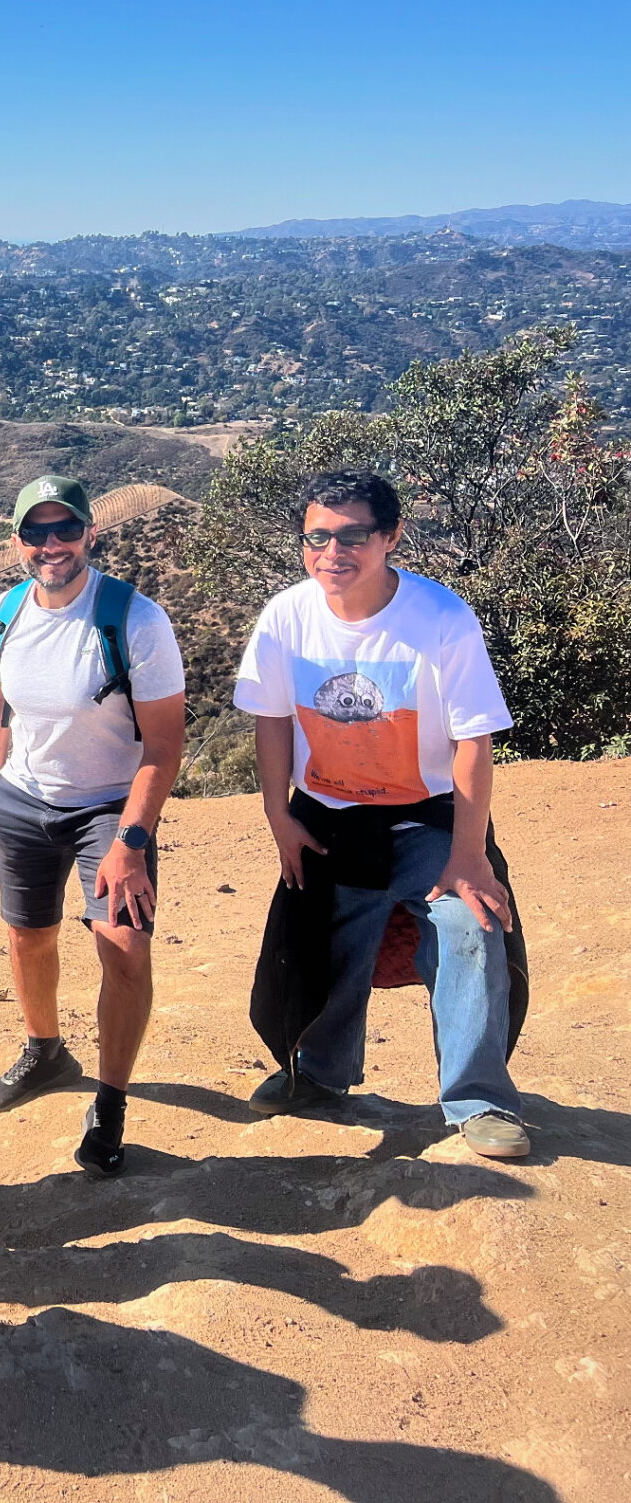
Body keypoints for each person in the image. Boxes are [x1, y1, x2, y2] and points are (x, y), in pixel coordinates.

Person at [235, 470, 531, 1159]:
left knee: (470, 924)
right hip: (329, 813)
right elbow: (272, 723)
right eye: (316, 536)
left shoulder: (439, 618)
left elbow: (473, 740)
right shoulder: (287, 615)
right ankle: (319, 1078)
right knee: (320, 935)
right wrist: (279, 820)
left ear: (391, 537)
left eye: (352, 536)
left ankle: (479, 1099)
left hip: (427, 817)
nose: (331, 552)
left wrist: (468, 853)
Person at [0, 474, 187, 1177]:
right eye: (36, 533)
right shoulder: (2, 613)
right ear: (17, 543)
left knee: (123, 948)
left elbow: (163, 747)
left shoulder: (136, 619)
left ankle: (112, 1098)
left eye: (65, 529)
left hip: (109, 807)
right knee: (27, 936)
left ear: (91, 532)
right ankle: (45, 1049)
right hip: (24, 801)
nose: (51, 545)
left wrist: (131, 840)